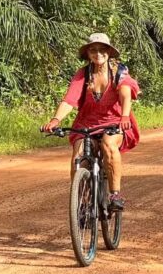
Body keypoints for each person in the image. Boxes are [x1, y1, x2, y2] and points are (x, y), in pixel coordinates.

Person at [41, 33, 140, 211]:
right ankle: (82, 201)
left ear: (109, 52)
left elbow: (126, 93)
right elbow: (70, 100)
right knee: (78, 157)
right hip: (86, 124)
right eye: (93, 50)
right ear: (88, 54)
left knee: (109, 145)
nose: (98, 53)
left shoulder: (119, 72)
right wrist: (56, 120)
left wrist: (125, 116)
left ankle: (114, 194)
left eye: (102, 49)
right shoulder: (83, 74)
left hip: (114, 122)